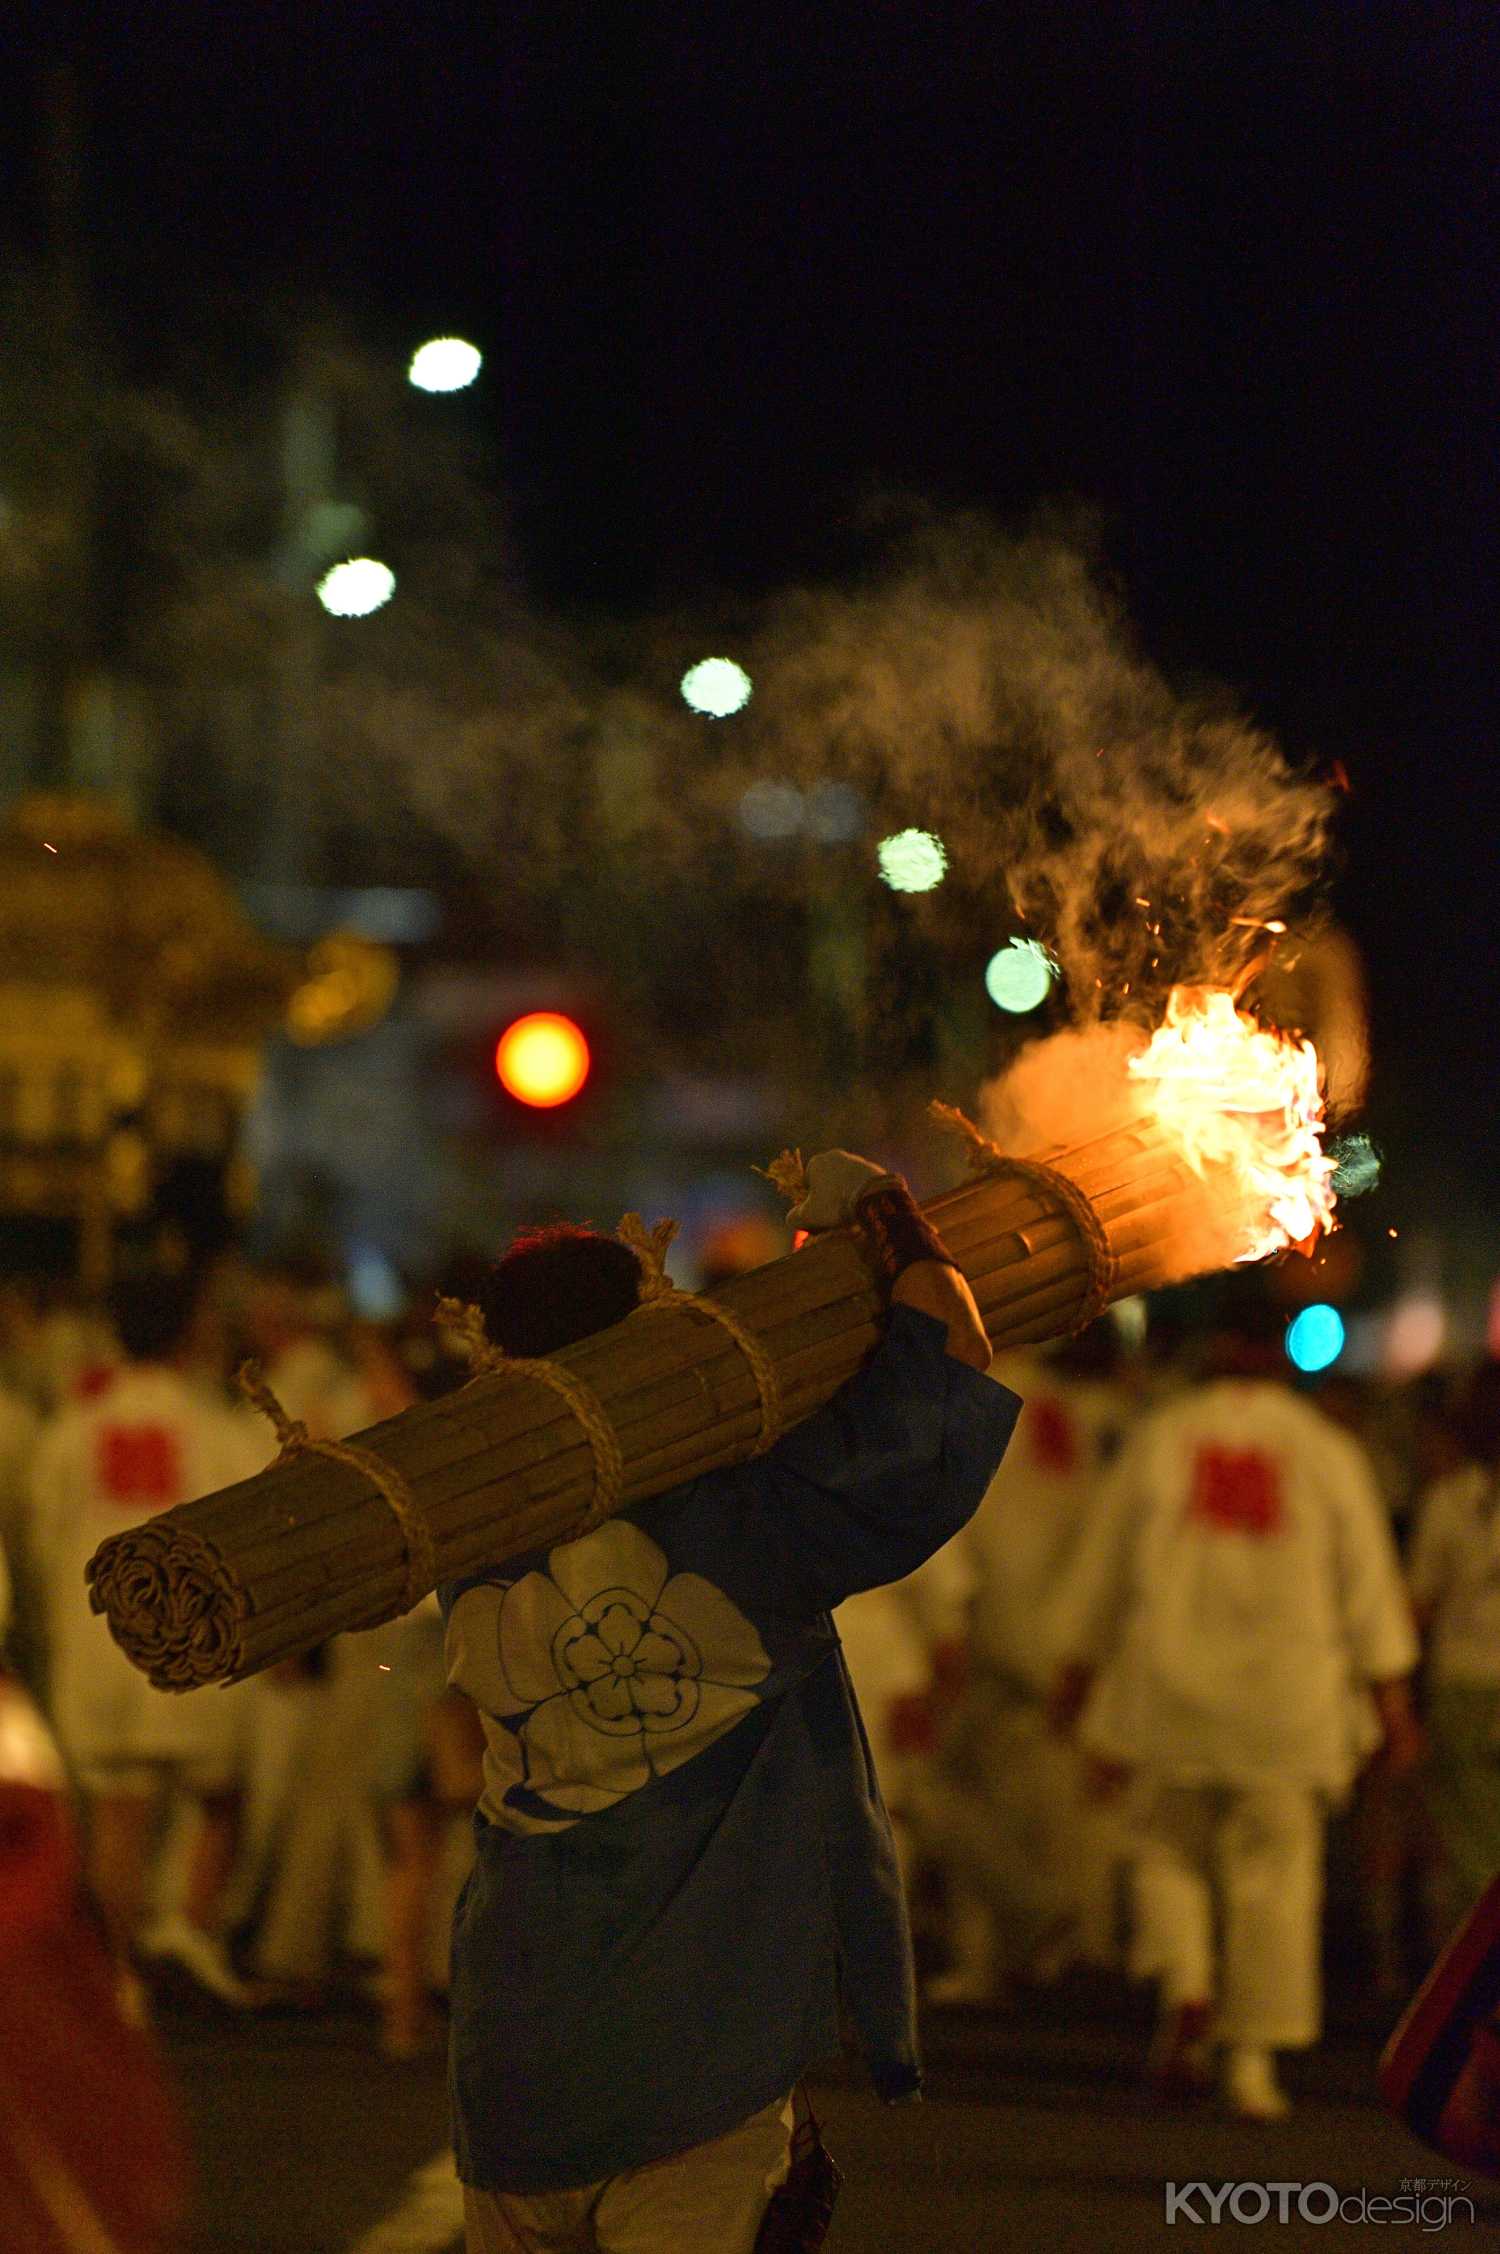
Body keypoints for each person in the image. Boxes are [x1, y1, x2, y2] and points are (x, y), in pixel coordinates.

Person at [440, 1152, 1017, 2253]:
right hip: (694, 2057)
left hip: (514, 2053)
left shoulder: (461, 1533)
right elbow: (946, 1360)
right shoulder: (753, 1524)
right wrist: (885, 1214)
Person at [1048, 1307, 1420, 2121]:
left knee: (1164, 1852)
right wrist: (1392, 1701)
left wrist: (1075, 1673)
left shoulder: (1161, 1438)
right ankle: (1251, 2060)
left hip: (1172, 1694)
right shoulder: (1326, 1450)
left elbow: (1105, 1568)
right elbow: (1368, 1586)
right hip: (1288, 1703)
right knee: (1275, 1879)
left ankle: (1187, 1987)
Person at [26, 1264, 268, 2000]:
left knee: (118, 1813)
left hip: (102, 1642)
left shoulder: (74, 1428)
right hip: (193, 1643)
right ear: (191, 1330)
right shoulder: (218, 1427)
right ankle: (190, 1927)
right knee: (221, 1795)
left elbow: (44, 1536)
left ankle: (118, 1974)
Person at [1407, 1359, 1500, 1928]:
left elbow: (1417, 1607)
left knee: (1471, 1844)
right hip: (1468, 1685)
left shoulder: (1450, 1502)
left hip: (1464, 1685)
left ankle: (1480, 1967)